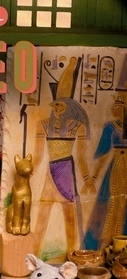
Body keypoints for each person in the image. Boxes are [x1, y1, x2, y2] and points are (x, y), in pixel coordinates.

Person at [32, 97, 92, 255]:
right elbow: (37, 157)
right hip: (51, 172)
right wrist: (27, 174)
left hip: (66, 172)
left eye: (60, 105)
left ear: (69, 108)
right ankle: (34, 253)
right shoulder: (43, 125)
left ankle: (71, 254)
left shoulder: (78, 127)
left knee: (69, 216)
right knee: (43, 213)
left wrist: (87, 179)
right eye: (54, 105)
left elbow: (81, 157)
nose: (56, 109)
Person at [84, 94, 127, 249]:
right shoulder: (111, 127)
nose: (114, 108)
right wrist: (93, 178)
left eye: (118, 104)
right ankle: (107, 244)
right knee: (112, 203)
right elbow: (103, 156)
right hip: (116, 168)